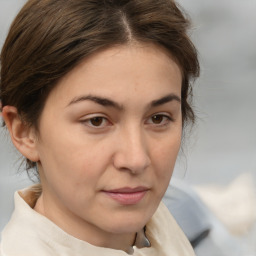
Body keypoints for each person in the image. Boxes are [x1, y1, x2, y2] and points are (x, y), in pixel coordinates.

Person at [0, 0, 199, 255]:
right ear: (24, 131)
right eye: (96, 121)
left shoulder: (163, 227)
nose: (136, 159)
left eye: (158, 118)